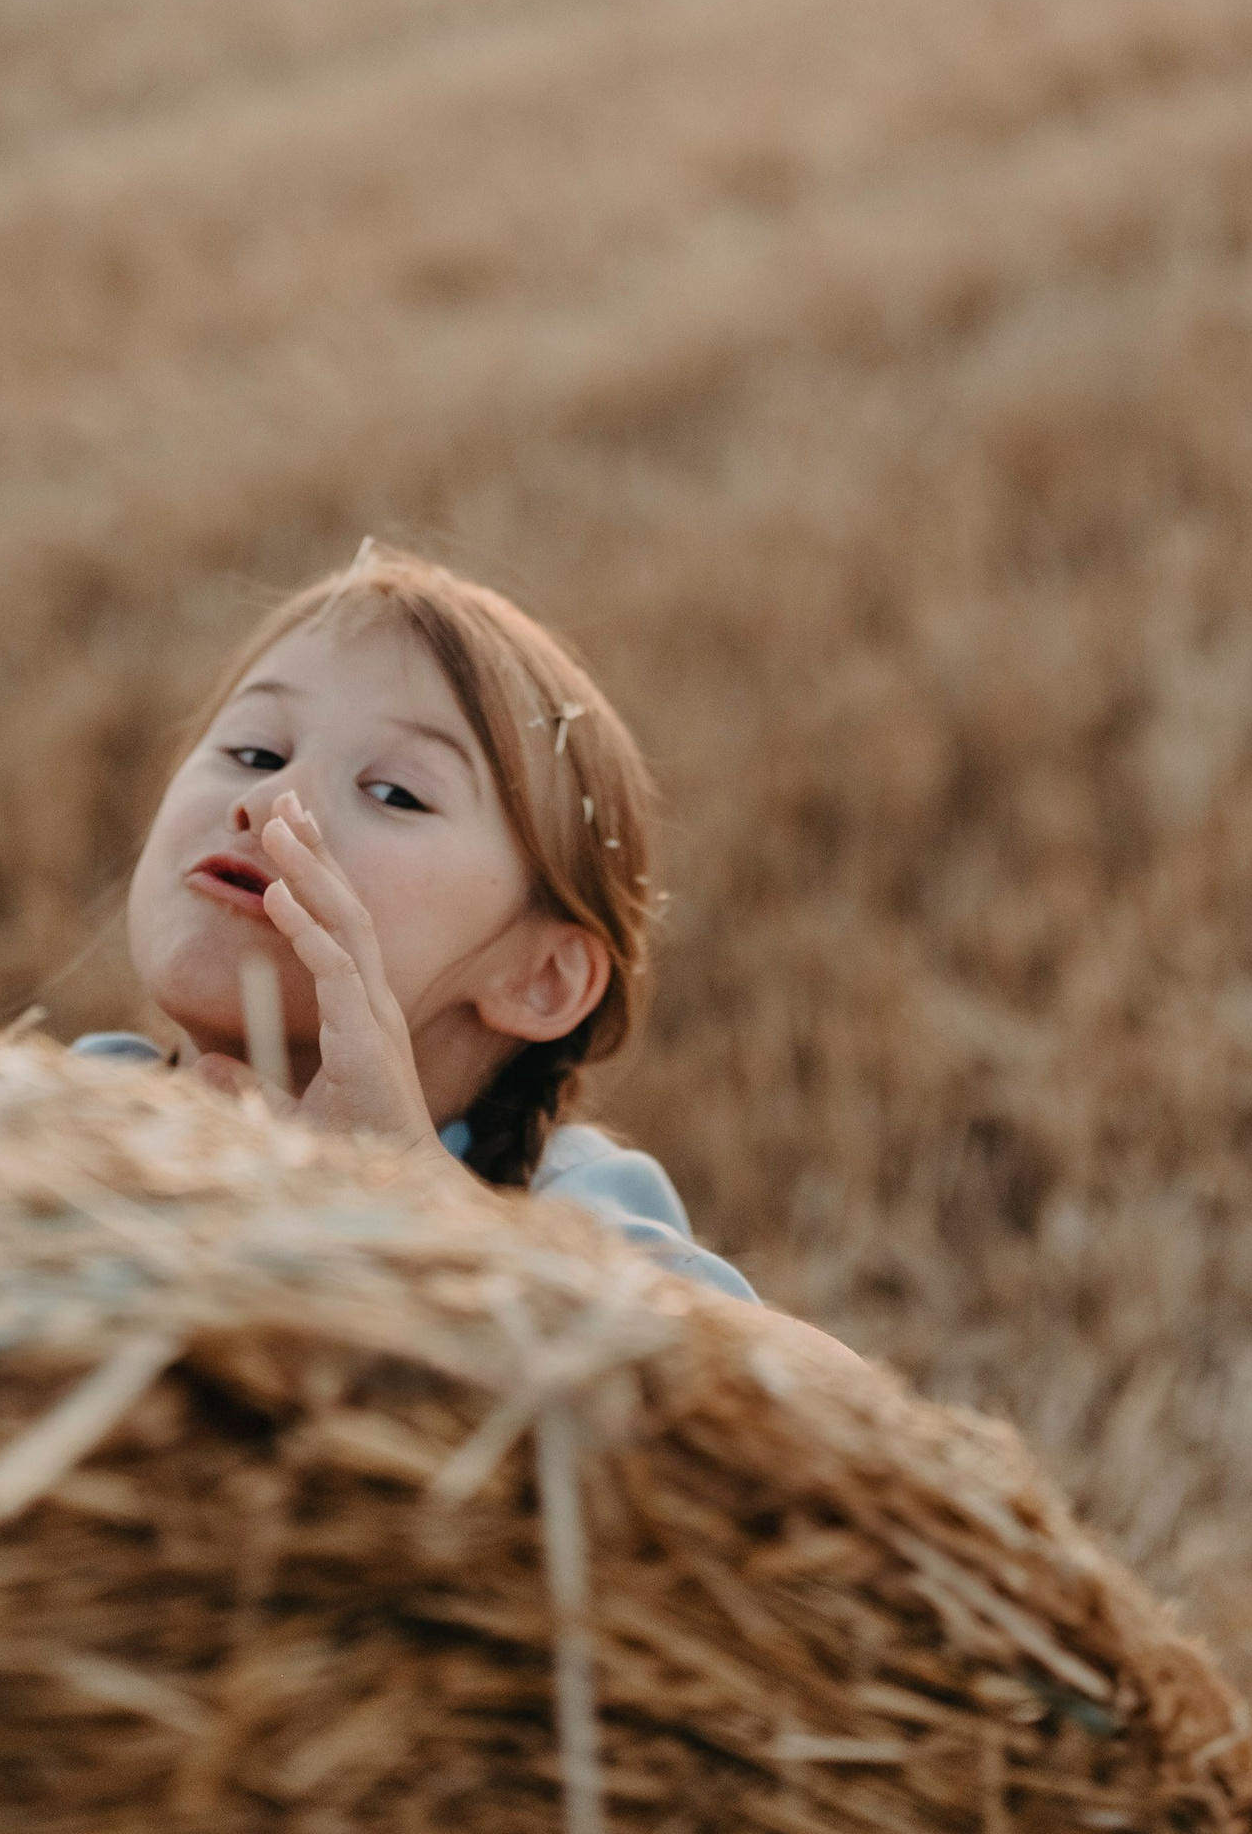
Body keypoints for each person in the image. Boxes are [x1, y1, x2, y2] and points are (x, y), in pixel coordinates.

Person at [76, 542, 755, 1303]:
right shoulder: (67, 1101)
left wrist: (418, 1202)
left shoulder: (571, 1200)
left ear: (540, 978)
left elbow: (801, 1398)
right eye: (255, 751)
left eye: (397, 793)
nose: (269, 807)